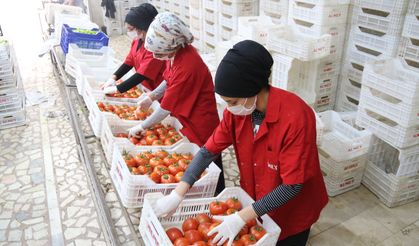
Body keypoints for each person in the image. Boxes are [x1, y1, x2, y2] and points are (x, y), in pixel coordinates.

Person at [152, 40, 329, 246]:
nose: (229, 108)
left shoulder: (296, 117)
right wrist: (178, 192)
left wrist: (240, 217)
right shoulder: (237, 114)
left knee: (287, 240)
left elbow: (291, 186)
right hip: (260, 199)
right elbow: (208, 151)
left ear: (253, 89)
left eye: (233, 102)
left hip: (294, 208)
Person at [127, 12, 225, 194]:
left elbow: (166, 108)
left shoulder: (188, 64)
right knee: (194, 162)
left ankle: (216, 192)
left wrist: (142, 125)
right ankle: (201, 191)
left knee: (210, 161)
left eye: (159, 52)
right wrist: (152, 97)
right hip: (187, 116)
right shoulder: (176, 54)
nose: (156, 56)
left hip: (200, 121)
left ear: (170, 45)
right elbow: (168, 79)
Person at [101, 3, 166, 94]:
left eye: (131, 29)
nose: (129, 32)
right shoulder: (137, 40)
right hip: (145, 88)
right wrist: (113, 78)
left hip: (157, 91)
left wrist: (117, 89)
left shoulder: (156, 47)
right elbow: (129, 61)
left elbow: (142, 74)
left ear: (142, 28)